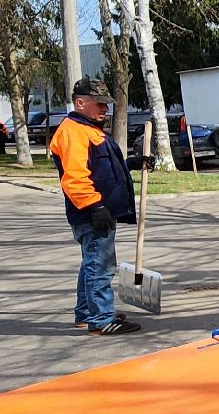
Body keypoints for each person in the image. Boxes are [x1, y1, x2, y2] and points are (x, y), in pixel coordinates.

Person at [49, 78, 151, 335]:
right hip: (91, 213)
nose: (105, 109)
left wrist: (133, 162)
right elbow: (74, 177)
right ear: (80, 102)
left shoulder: (90, 130)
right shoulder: (73, 131)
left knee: (91, 263)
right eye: (100, 103)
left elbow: (105, 169)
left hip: (98, 210)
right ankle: (101, 319)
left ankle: (86, 313)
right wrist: (94, 206)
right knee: (100, 265)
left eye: (107, 104)